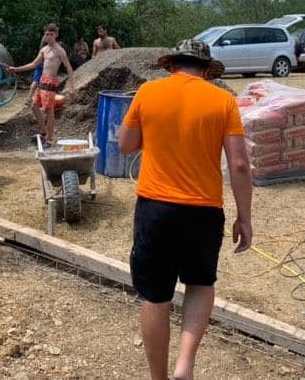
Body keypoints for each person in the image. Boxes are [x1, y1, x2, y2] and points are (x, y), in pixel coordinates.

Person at [117, 39, 253, 380]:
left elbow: (125, 145)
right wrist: (244, 218)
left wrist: (161, 134)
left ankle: (159, 378)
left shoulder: (148, 92)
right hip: (203, 212)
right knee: (200, 284)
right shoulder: (223, 100)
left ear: (172, 66)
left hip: (155, 209)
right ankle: (185, 364)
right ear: (206, 70)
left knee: (155, 295)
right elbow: (238, 164)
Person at [9, 23, 75, 146]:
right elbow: (34, 64)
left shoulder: (59, 50)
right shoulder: (44, 50)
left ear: (56, 35)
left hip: (51, 82)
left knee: (49, 111)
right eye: (46, 34)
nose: (48, 37)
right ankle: (44, 131)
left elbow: (69, 68)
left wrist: (72, 87)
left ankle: (49, 139)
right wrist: (16, 69)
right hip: (42, 81)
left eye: (51, 34)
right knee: (34, 105)